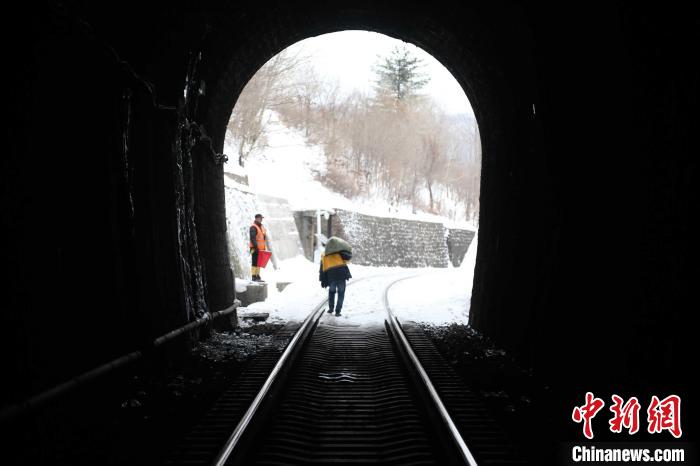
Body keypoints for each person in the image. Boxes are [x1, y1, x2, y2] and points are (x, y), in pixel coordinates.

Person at [319, 236, 352, 316]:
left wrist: (322, 279)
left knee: (332, 292)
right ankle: (338, 311)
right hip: (341, 274)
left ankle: (331, 309)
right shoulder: (339, 253)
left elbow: (322, 268)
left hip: (331, 275)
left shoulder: (324, 255)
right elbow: (347, 259)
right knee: (341, 293)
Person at [249, 213, 268, 282]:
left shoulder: (261, 226)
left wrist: (263, 248)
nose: (261, 219)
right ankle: (254, 276)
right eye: (260, 218)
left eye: (261, 218)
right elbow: (252, 238)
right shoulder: (253, 227)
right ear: (256, 218)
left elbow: (263, 238)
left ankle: (258, 276)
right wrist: (256, 247)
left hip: (261, 249)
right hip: (254, 248)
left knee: (259, 262)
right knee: (254, 262)